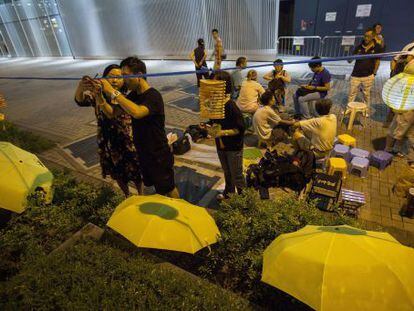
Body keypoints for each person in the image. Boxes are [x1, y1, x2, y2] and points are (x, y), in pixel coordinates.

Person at [99, 57, 179, 198]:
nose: (123, 80)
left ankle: (180, 212)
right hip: (142, 152)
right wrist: (98, 95)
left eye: (125, 75)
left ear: (140, 74)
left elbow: (137, 112)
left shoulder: (153, 95)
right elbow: (112, 113)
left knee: (169, 189)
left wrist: (113, 91)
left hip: (158, 153)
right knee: (158, 190)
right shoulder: (133, 95)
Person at [74, 64, 142, 197]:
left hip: (127, 140)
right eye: (111, 77)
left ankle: (140, 193)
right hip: (108, 141)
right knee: (117, 173)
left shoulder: (126, 98)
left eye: (119, 77)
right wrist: (81, 87)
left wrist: (103, 94)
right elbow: (80, 100)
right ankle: (127, 195)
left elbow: (111, 112)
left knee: (135, 171)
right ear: (104, 78)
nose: (115, 80)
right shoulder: (98, 95)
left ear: (124, 80)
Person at [203, 71, 245, 200]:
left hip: (233, 146)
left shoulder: (231, 106)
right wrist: (207, 127)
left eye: (215, 82)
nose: (211, 85)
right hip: (221, 144)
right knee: (227, 172)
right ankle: (229, 194)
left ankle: (245, 201)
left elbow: (240, 128)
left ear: (224, 85)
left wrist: (222, 132)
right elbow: (215, 122)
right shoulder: (215, 103)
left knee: (236, 174)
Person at [348, 28, 382, 107]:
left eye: (369, 36)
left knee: (366, 95)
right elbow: (349, 60)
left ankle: (366, 109)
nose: (366, 38)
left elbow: (377, 61)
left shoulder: (377, 47)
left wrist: (374, 73)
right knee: (351, 93)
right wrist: (354, 56)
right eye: (365, 36)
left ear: (373, 36)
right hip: (356, 75)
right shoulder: (359, 46)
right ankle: (349, 108)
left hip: (368, 75)